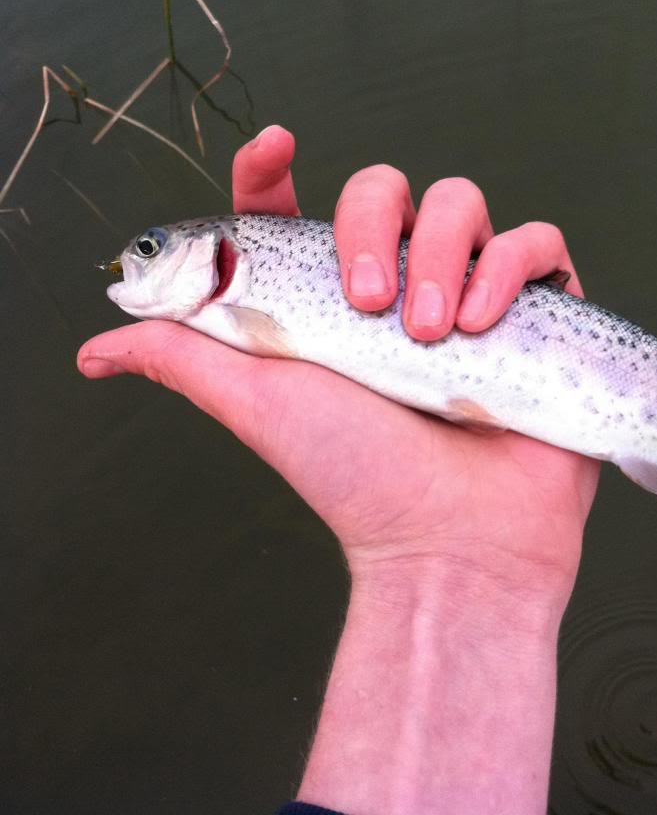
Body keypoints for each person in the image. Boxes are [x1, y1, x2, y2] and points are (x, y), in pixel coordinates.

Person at [78, 125, 600, 815]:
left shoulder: (234, 294)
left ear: (219, 257)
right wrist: (454, 573)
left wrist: (459, 579)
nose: (136, 259)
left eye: (151, 248)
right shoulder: (228, 311)